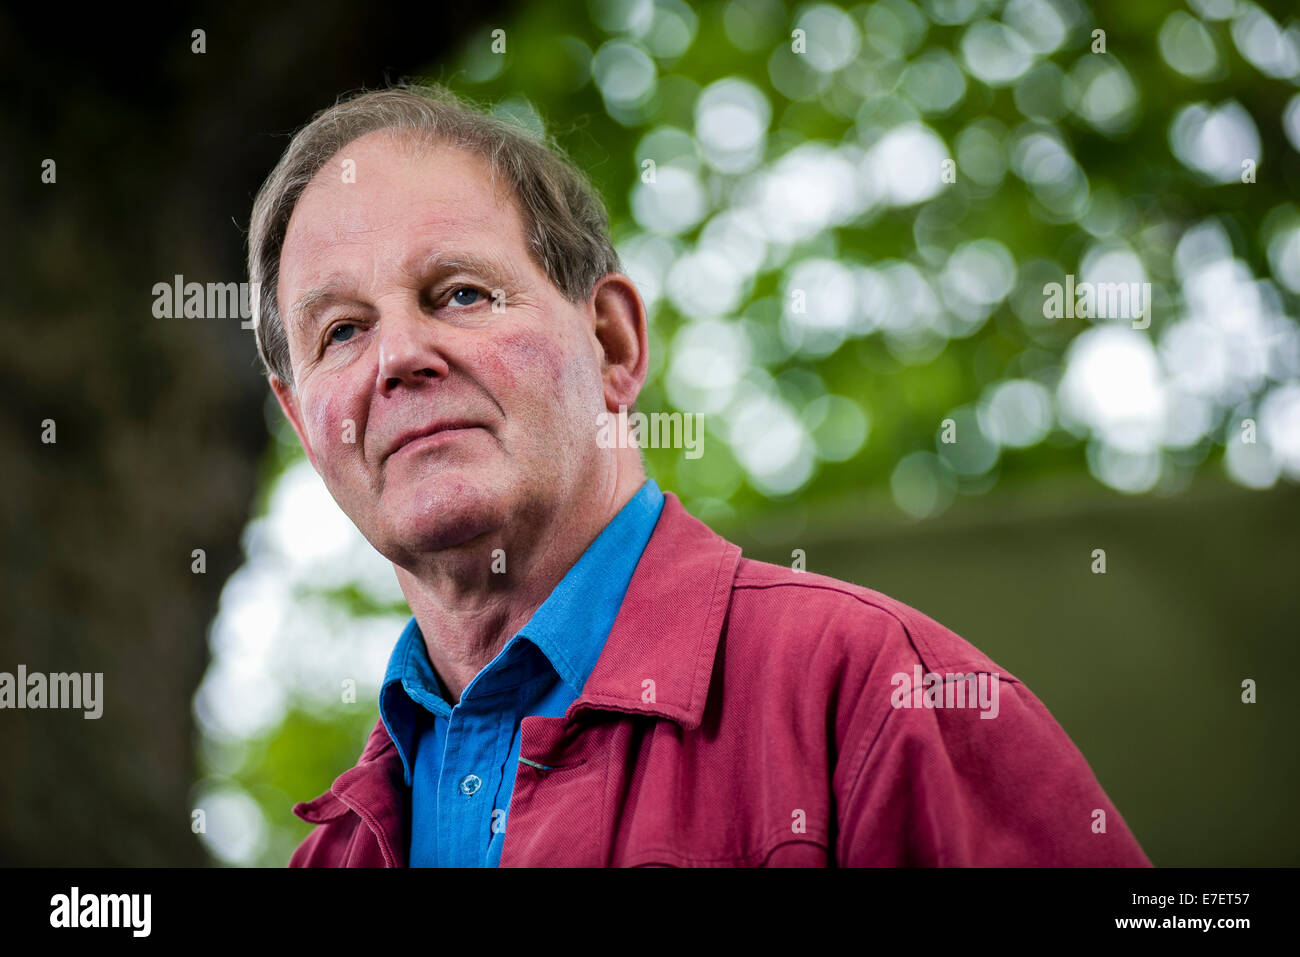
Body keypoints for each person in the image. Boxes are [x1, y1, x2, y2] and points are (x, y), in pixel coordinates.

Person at [247, 83, 1151, 867]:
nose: (398, 356)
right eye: (341, 332)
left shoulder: (876, 697)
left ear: (612, 341)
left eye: (460, 294)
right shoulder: (334, 851)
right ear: (303, 420)